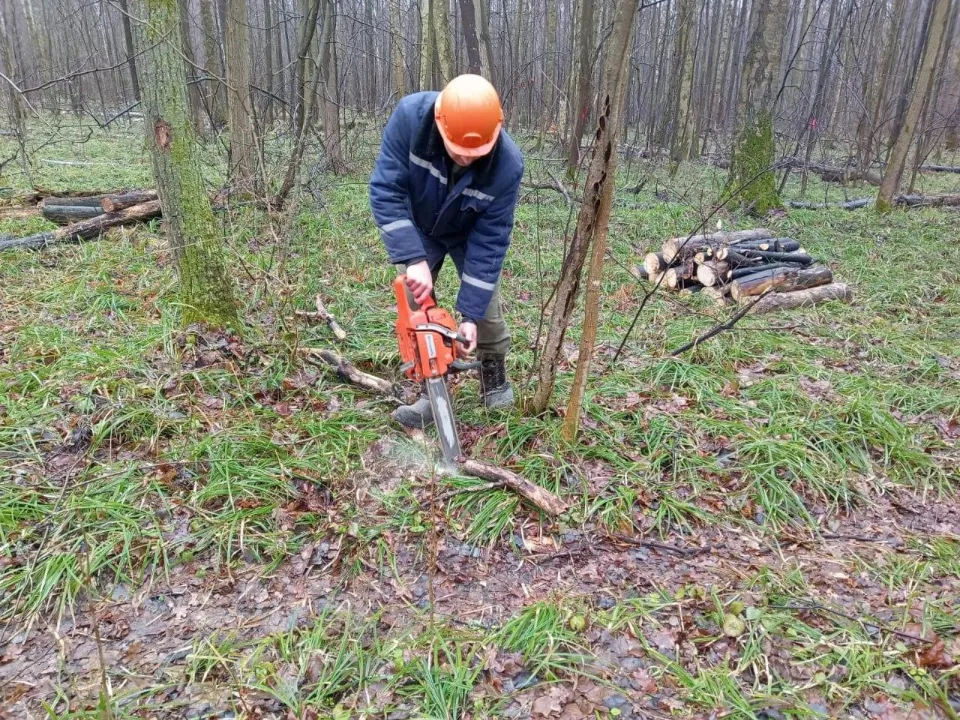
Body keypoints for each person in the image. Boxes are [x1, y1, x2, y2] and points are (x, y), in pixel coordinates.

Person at [370, 74, 524, 429]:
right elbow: (386, 191)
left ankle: (493, 372)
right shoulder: (411, 119)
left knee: (486, 309)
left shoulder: (508, 165)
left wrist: (468, 315)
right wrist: (412, 258)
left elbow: (491, 240)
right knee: (416, 304)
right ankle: (431, 389)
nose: (467, 160)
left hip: (470, 230)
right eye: (458, 152)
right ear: (441, 124)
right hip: (420, 224)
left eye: (476, 155)